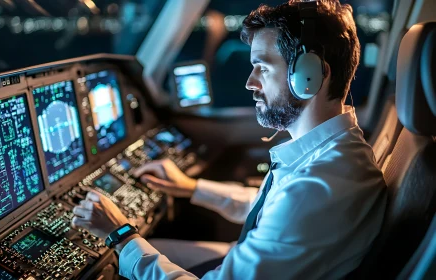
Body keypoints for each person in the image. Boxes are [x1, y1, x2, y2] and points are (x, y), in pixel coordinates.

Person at [71, 0, 387, 279]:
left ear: (310, 76)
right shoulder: (329, 153)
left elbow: (292, 206)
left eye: (262, 68)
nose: (250, 83)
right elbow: (270, 209)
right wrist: (192, 187)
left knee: (118, 257)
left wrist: (121, 234)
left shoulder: (318, 188)